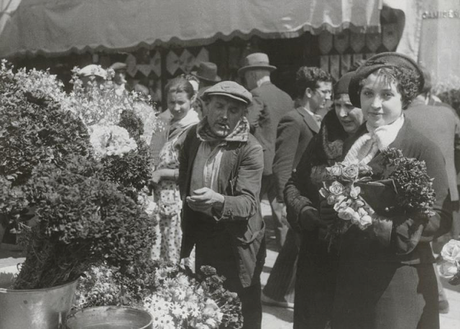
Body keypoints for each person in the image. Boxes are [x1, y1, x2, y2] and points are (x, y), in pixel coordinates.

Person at [331, 52, 452, 329]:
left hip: (398, 282)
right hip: (352, 275)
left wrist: (384, 227)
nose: (375, 104)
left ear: (404, 99)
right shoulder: (355, 143)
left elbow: (440, 217)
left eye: (386, 95)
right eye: (368, 93)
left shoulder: (422, 148)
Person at [178, 81, 266, 329]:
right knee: (207, 307)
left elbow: (248, 203)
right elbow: (184, 179)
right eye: (219, 106)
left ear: (242, 115)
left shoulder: (249, 148)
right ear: (205, 106)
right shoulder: (192, 137)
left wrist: (218, 200)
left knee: (242, 309)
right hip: (203, 234)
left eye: (234, 110)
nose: (224, 115)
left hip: (236, 240)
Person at [284, 71, 363, 328]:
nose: (341, 113)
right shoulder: (323, 138)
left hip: (356, 260)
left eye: (350, 106)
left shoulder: (375, 144)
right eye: (336, 105)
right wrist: (306, 212)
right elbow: (294, 184)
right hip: (316, 256)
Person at [262, 66, 333, 308]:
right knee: (299, 244)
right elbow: (282, 162)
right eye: (323, 92)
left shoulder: (320, 118)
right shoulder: (294, 119)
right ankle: (283, 293)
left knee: (295, 245)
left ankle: (275, 292)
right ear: (308, 92)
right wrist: (282, 200)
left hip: (311, 195)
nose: (328, 97)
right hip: (297, 194)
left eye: (329, 92)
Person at [238, 52, 294, 250]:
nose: (246, 81)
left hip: (260, 165)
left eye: (246, 77)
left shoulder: (256, 95)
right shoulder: (286, 96)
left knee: (252, 211)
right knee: (280, 214)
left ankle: (254, 253)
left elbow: (246, 124)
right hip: (282, 163)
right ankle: (285, 261)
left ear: (252, 75)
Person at [149, 77, 200, 263]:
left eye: (181, 102)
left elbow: (194, 170)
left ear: (192, 100)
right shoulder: (168, 123)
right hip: (163, 198)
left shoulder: (194, 128)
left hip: (180, 198)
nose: (176, 107)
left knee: (176, 250)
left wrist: (162, 173)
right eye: (171, 102)